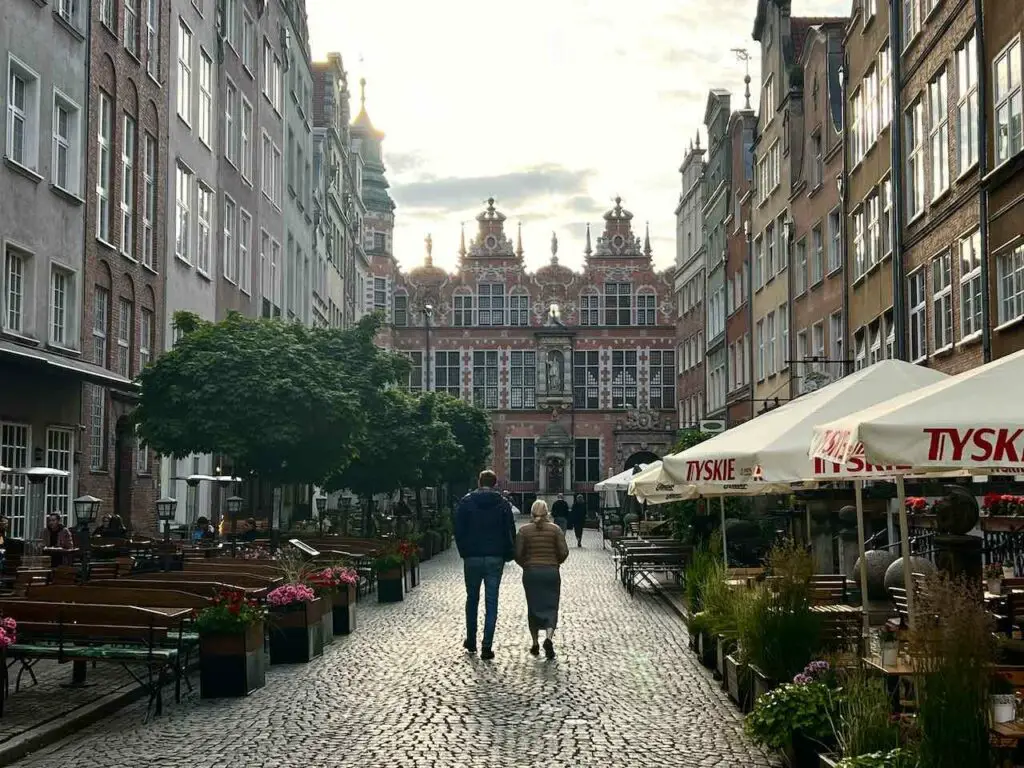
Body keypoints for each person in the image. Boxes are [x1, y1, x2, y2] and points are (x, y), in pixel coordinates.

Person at [455, 469, 516, 660]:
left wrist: (464, 551)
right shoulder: (503, 504)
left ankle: (471, 640)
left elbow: (458, 529)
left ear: (479, 482)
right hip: (494, 557)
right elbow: (510, 531)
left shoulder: (466, 502)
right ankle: (487, 646)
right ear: (495, 483)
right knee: (491, 602)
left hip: (472, 557)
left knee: (471, 599)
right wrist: (508, 554)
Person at [515, 499, 569, 659]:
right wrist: (555, 563)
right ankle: (548, 638)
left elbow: (517, 553)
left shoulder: (524, 531)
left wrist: (526, 565)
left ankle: (535, 643)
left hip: (531, 573)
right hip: (551, 572)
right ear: (548, 513)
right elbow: (564, 551)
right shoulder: (556, 530)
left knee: (533, 606)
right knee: (552, 606)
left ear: (531, 513)